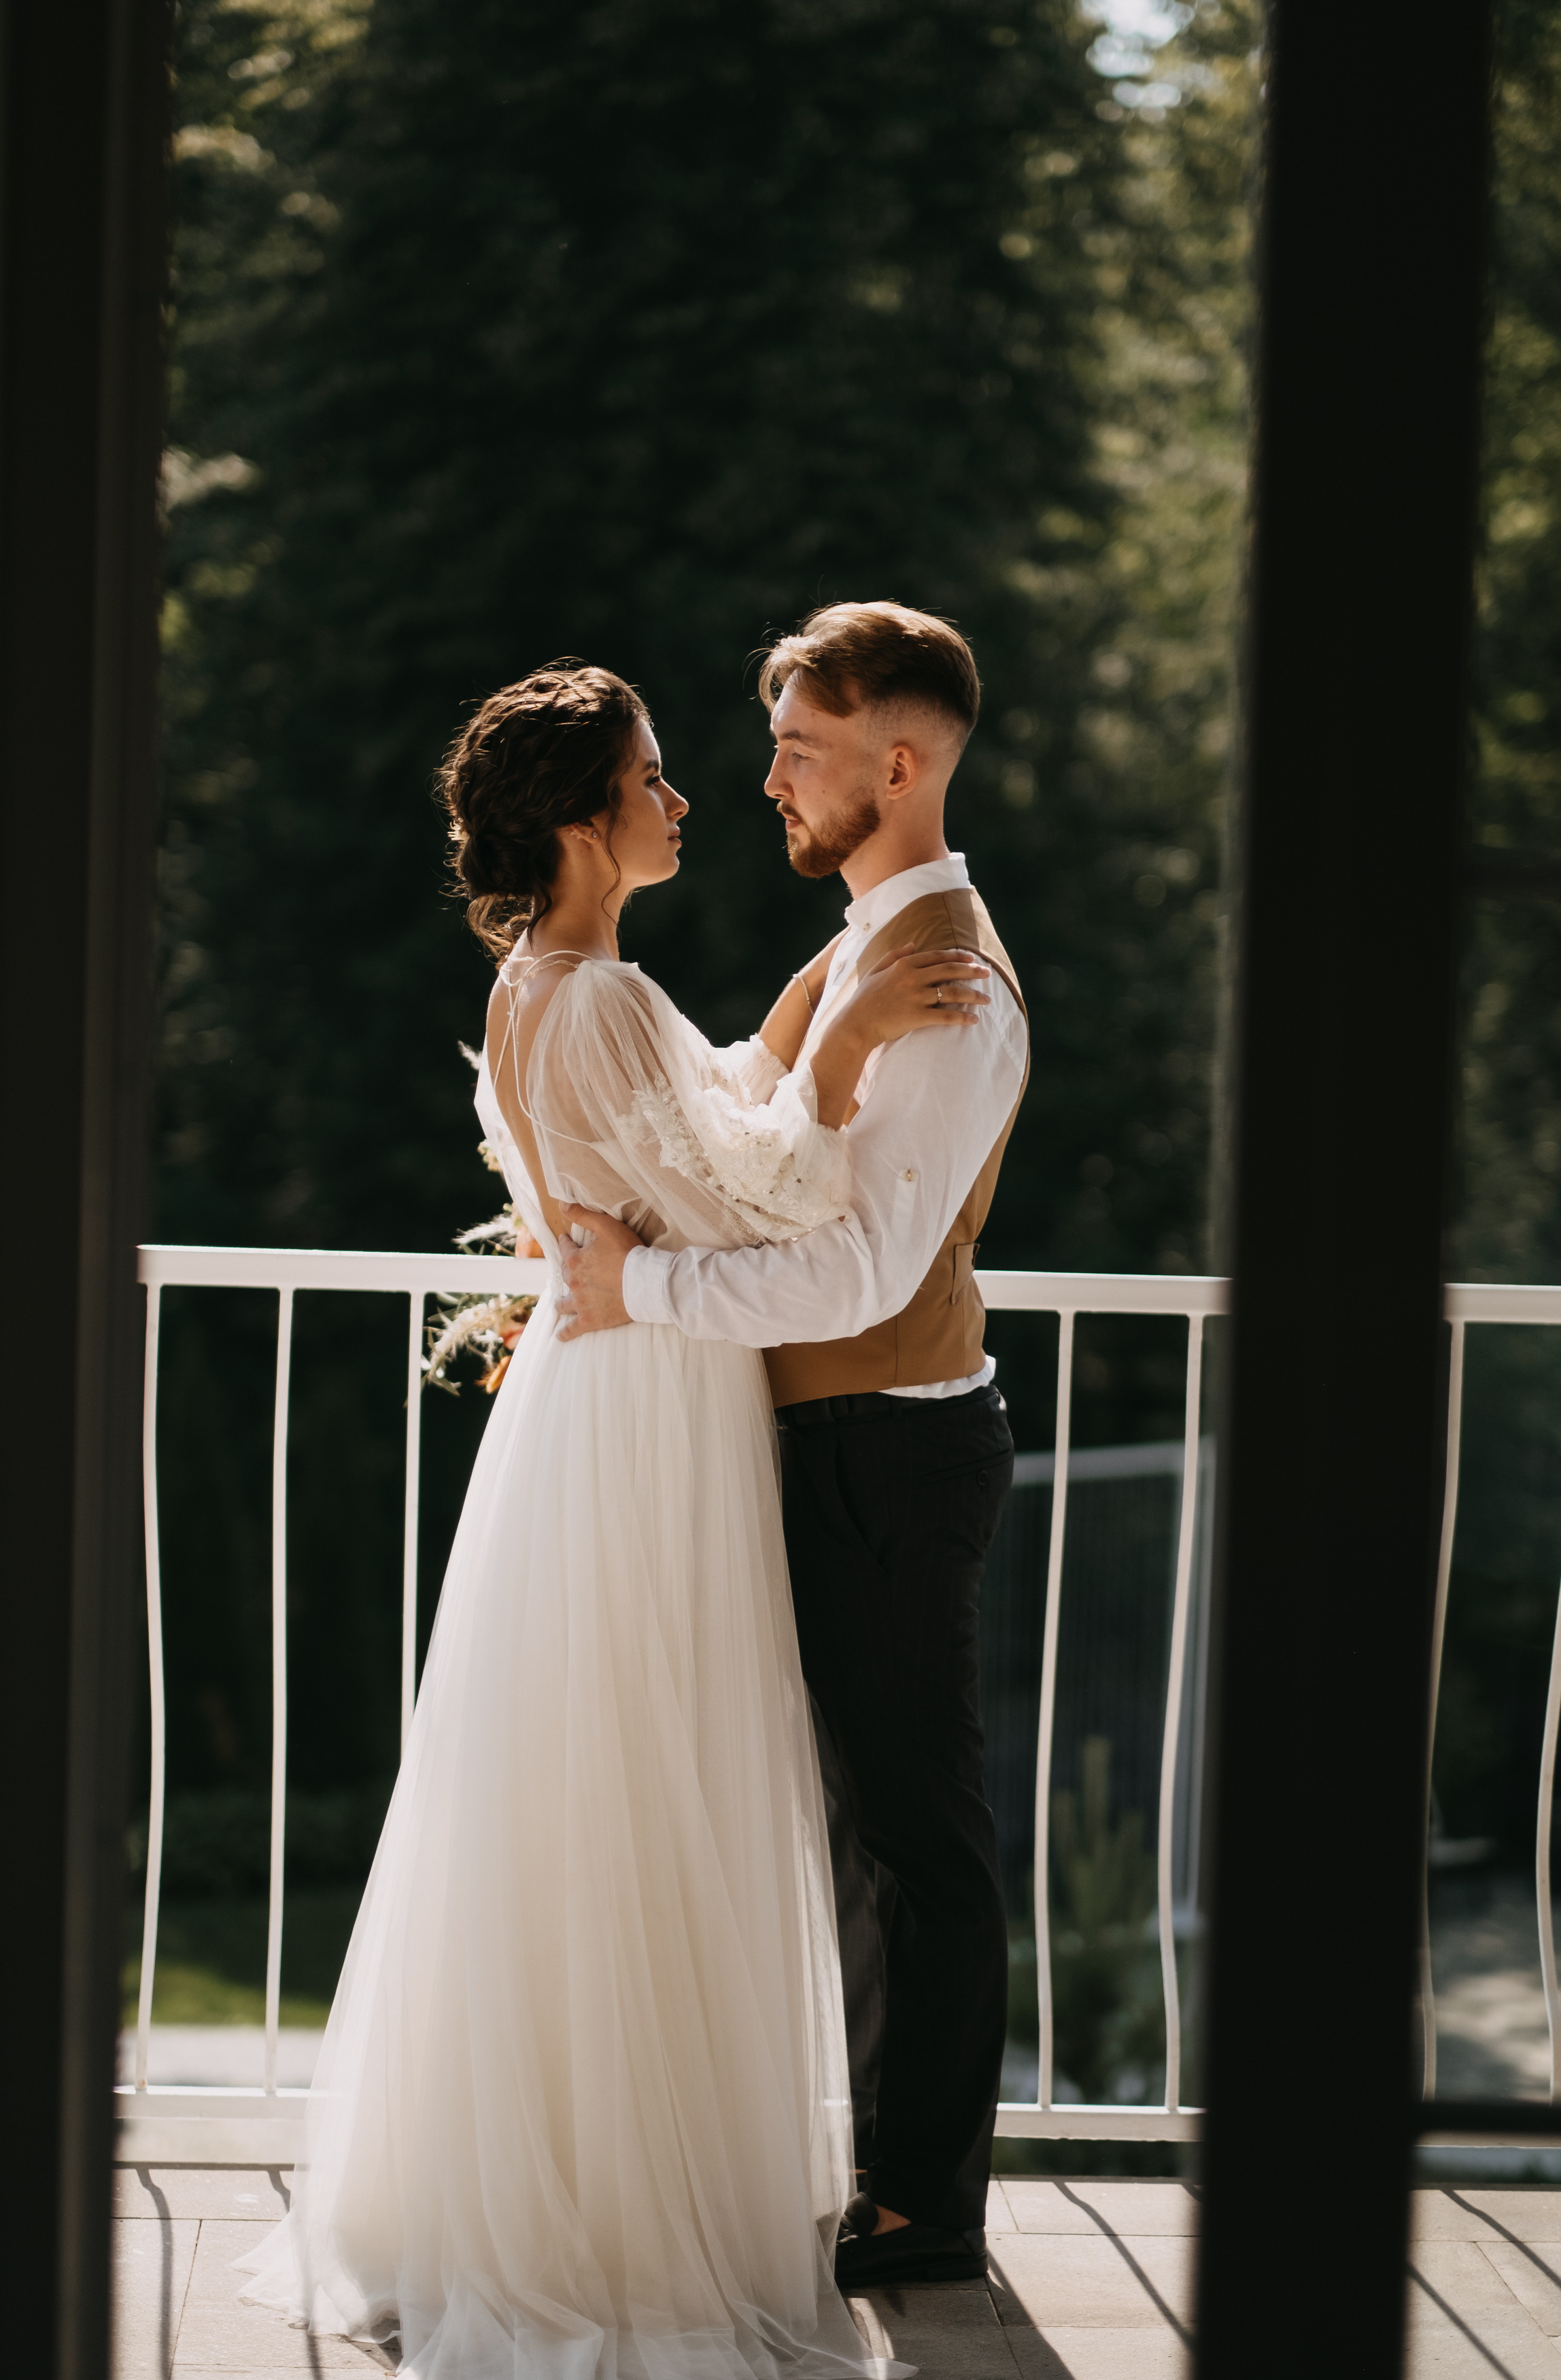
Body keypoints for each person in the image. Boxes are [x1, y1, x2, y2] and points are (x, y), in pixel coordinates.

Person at [235, 660, 990, 2378]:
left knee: (571, 1787)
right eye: (655, 778)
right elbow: (771, 1187)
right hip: (651, 1406)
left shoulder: (540, 985)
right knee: (649, 1783)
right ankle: (618, 2212)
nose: (685, 799)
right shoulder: (604, 1001)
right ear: (587, 819)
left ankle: (548, 2178)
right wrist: (856, 1035)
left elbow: (685, 1137)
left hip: (592, 1406)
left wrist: (798, 1024)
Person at [556, 603, 1029, 2290]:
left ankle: (926, 2208)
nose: (767, 782)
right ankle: (894, 2179)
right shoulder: (849, 960)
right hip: (832, 1440)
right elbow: (748, 1136)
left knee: (915, 1827)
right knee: (865, 1827)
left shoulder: (946, 983)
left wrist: (639, 1287)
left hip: (891, 1452)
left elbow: (862, 1268)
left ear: (896, 765)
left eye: (800, 751)